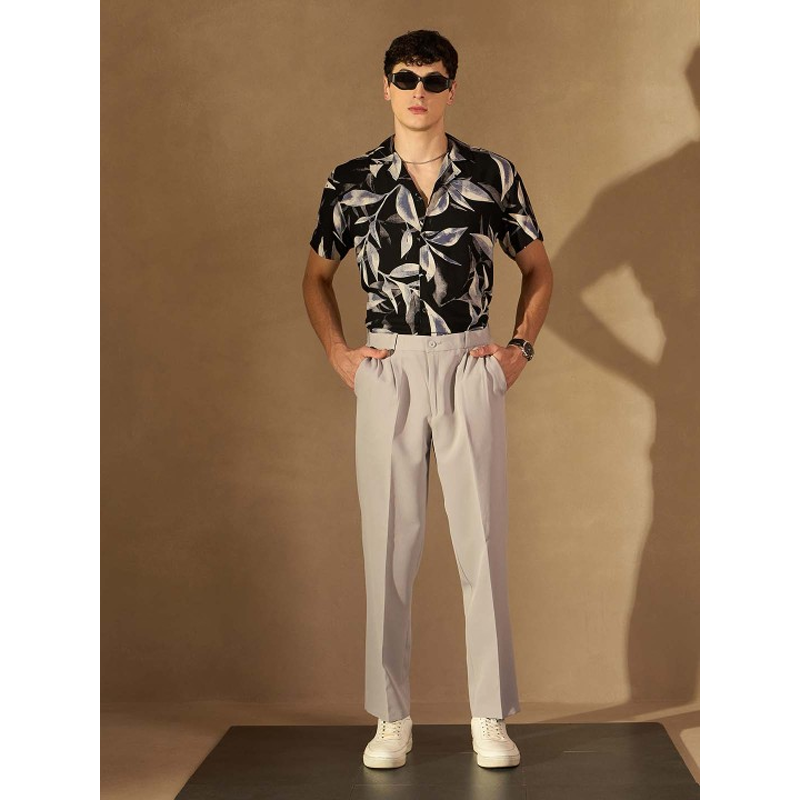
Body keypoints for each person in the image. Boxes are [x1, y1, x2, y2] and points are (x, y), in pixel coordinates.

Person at [302, 29, 553, 770]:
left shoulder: (491, 174)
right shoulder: (352, 180)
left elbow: (538, 269)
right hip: (389, 367)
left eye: (433, 79)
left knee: (483, 545)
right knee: (389, 547)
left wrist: (519, 349)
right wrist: (340, 354)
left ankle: (488, 716)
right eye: (406, 78)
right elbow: (315, 278)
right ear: (386, 85)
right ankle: (391, 717)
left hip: (469, 362)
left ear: (451, 89)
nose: (419, 90)